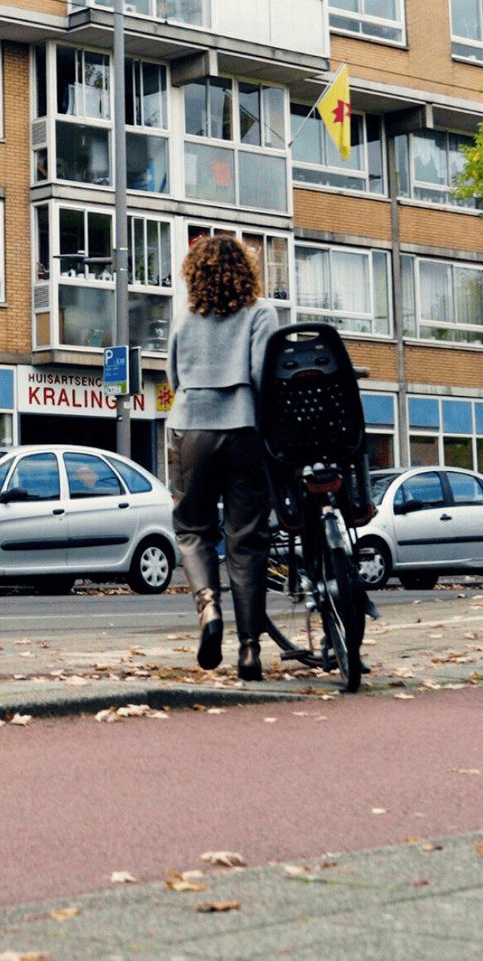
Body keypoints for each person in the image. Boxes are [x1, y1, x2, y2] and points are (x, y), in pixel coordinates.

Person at [166, 235, 281, 681]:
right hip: (244, 429)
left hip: (192, 426)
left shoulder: (185, 318)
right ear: (246, 271)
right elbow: (261, 376)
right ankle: (250, 651)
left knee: (193, 529)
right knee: (247, 538)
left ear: (195, 274)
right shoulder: (261, 313)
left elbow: (174, 377)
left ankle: (208, 608)